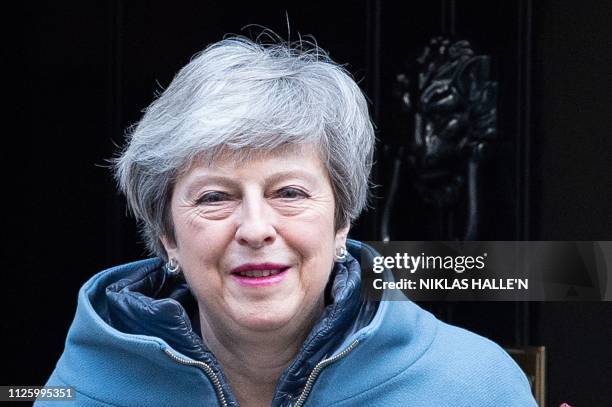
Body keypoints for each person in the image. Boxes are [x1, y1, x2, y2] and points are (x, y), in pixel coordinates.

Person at [39, 36, 537, 407]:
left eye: (290, 192)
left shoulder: (474, 384)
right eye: (215, 197)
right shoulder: (79, 392)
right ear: (167, 235)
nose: (255, 228)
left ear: (342, 222)